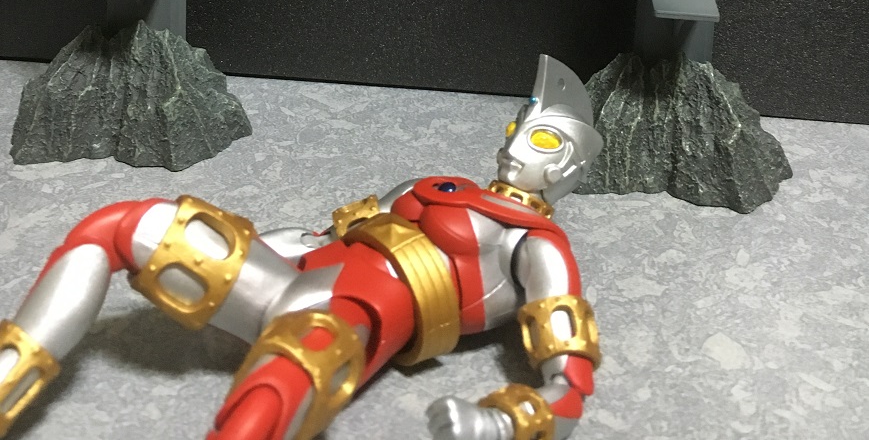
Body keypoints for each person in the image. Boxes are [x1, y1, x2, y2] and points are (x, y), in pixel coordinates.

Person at [0, 55, 603, 440]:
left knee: (275, 393)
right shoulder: (441, 187)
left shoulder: (537, 246)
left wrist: (500, 422)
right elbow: (334, 232)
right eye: (519, 124)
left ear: (568, 165)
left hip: (356, 317)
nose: (516, 143)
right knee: (122, 225)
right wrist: (283, 245)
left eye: (542, 138)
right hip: (289, 274)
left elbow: (570, 384)